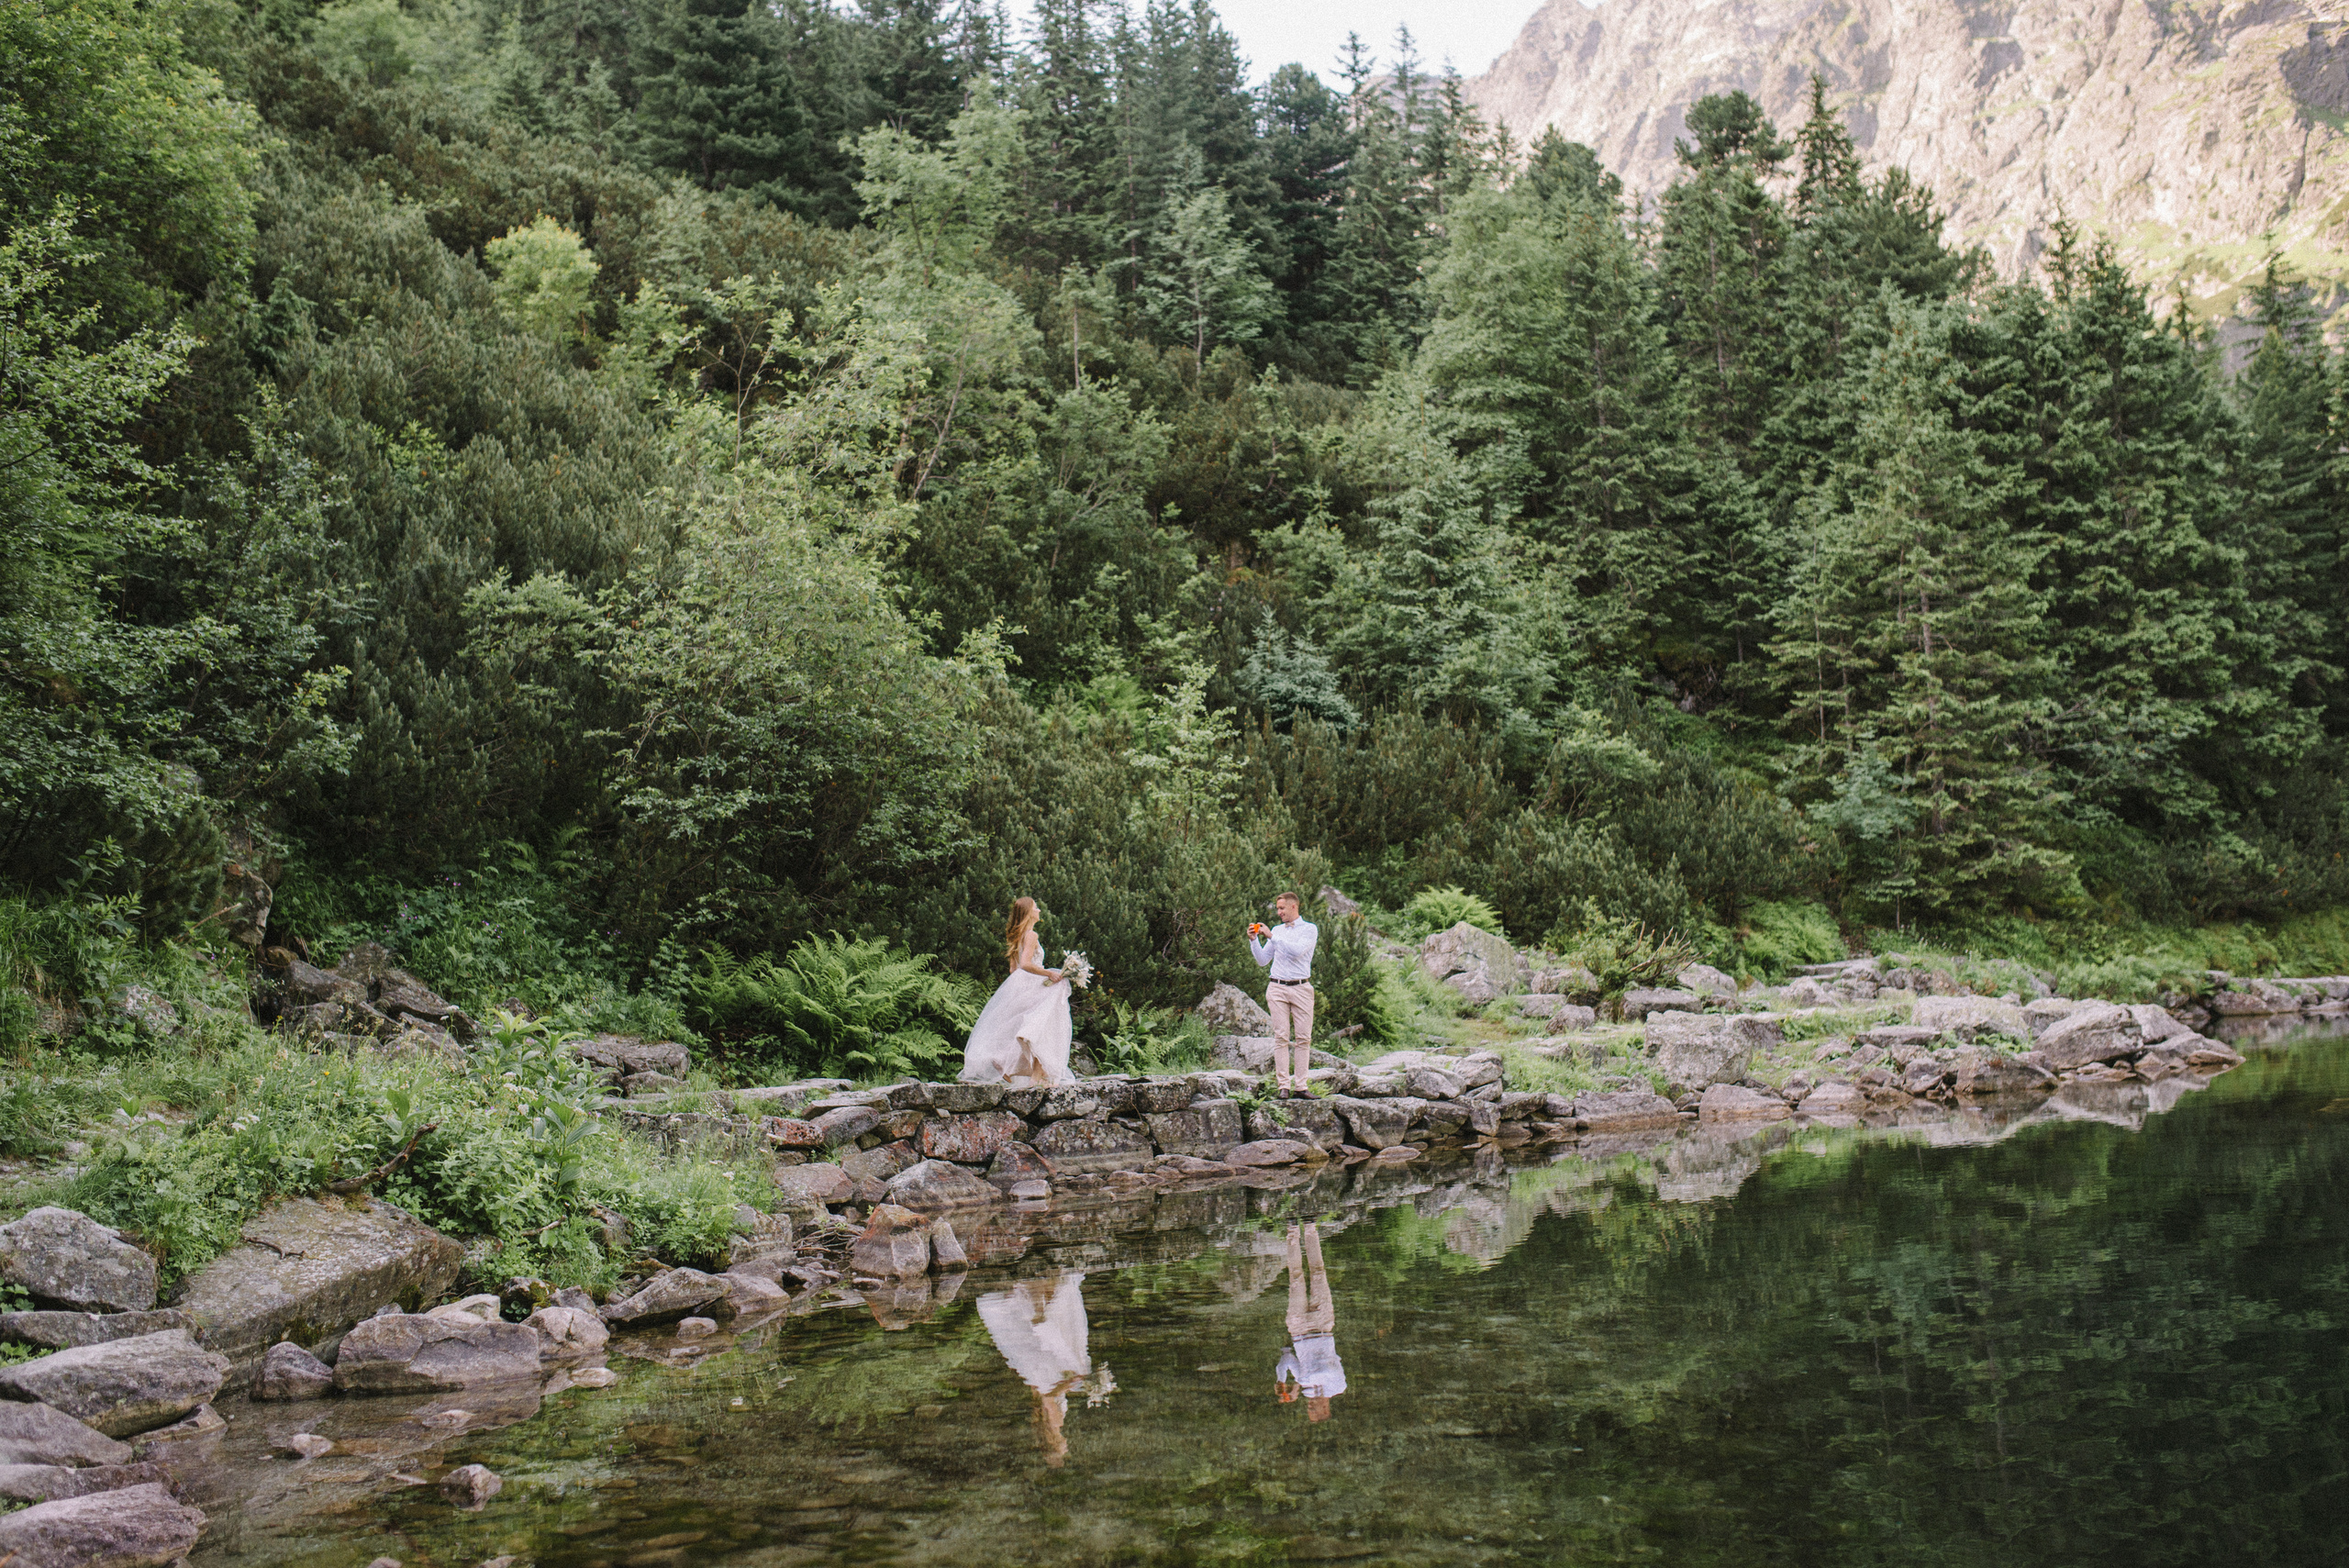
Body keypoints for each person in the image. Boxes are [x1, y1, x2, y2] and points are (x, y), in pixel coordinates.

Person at [977, 1271, 1114, 1466]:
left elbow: (1048, 1396)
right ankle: (1039, 1295)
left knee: (1062, 1341)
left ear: (1055, 1442)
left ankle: (1040, 1292)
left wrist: (1074, 1382)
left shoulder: (1055, 1423)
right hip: (1042, 1377)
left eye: (1063, 1447)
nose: (1066, 1444)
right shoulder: (1041, 1421)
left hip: (1048, 1378)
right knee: (1056, 1340)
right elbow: (1039, 1391)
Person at [960, 896, 1075, 1085]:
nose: (1039, 910)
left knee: (1035, 1026)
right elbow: (1025, 964)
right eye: (1036, 907)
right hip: (1033, 982)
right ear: (1029, 912)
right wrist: (1049, 974)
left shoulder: (1017, 936)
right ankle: (1034, 1074)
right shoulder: (1031, 935)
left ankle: (1012, 1065)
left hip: (1021, 984)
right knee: (1045, 1025)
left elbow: (1013, 970)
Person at [1247, 890, 1318, 1095]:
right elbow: (1262, 960)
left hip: (1302, 987)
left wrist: (1271, 936)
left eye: (1281, 908)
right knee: (1281, 1037)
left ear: (1293, 906)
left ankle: (1302, 1087)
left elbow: (1296, 952)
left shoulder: (1309, 929)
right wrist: (1254, 941)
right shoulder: (1278, 930)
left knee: (1303, 1038)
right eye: (1277, 908)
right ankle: (1283, 1086)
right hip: (1277, 986)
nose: (1279, 912)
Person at [1273, 1222, 1344, 1423]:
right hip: (1323, 1326)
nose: (1310, 1405)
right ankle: (1310, 1228)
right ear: (1325, 1409)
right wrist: (1300, 1384)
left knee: (1295, 1277)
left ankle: (1292, 1230)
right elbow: (1327, 1369)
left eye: (1309, 1409)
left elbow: (1286, 1359)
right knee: (1318, 1273)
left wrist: (1282, 1379)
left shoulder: (1306, 1386)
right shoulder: (1338, 1387)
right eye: (1314, 1409)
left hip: (1299, 1330)